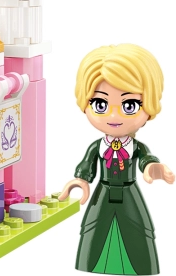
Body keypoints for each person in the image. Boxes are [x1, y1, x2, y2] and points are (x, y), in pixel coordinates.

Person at [59, 44, 174, 275]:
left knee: (136, 229)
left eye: (129, 105)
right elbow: (87, 165)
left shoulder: (136, 147)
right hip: (102, 193)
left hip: (129, 193)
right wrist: (81, 181)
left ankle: (139, 268)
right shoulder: (98, 146)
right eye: (100, 104)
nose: (113, 115)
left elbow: (145, 158)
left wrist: (152, 167)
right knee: (95, 229)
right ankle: (92, 266)